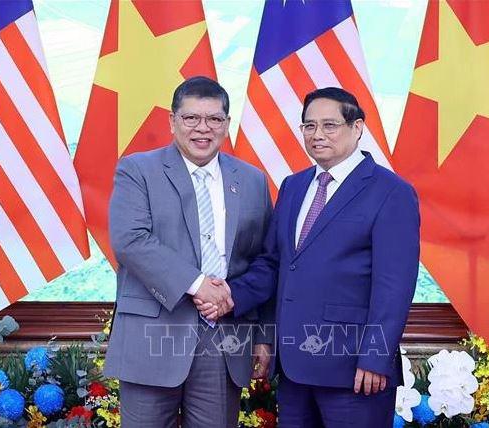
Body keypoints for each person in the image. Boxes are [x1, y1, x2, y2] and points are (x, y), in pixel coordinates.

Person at [197, 87, 420, 427]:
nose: (317, 135)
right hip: (294, 368)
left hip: (354, 369)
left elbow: (395, 287)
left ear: (357, 128)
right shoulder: (294, 186)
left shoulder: (391, 192)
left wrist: (375, 357)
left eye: (329, 125)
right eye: (309, 126)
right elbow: (274, 265)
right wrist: (232, 297)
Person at [104, 76, 273, 428]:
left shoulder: (253, 180)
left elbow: (263, 262)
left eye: (214, 119)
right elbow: (130, 240)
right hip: (154, 334)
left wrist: (263, 336)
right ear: (172, 121)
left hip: (225, 338)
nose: (203, 128)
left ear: (227, 125)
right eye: (191, 118)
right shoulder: (138, 170)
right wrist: (199, 284)